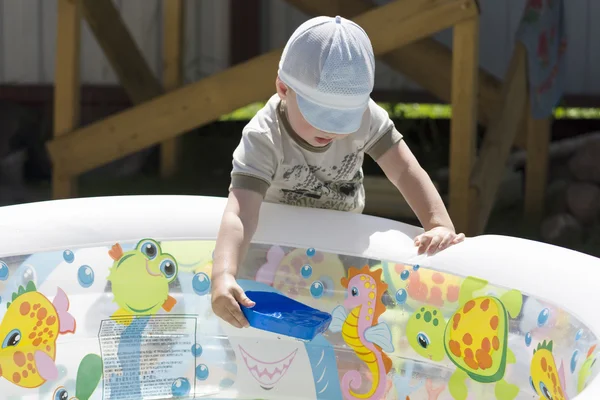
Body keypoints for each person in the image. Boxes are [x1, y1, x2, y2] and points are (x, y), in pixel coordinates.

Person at [211, 15, 465, 328]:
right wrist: (224, 274)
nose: (330, 128)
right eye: (320, 113)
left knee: (345, 334)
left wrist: (438, 224)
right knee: (261, 345)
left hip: (341, 248)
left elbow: (405, 170)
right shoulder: (264, 137)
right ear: (283, 88)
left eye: (343, 117)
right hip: (271, 257)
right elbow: (240, 214)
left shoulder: (367, 119)